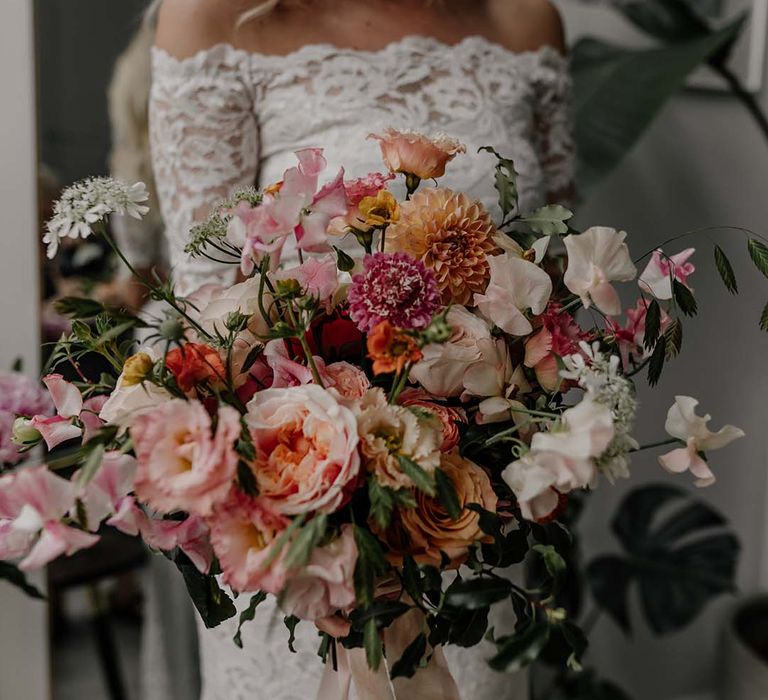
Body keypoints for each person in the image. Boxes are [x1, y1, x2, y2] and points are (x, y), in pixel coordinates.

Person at [147, 0, 574, 697]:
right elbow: (211, 325)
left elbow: (547, 274)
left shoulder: (524, 21)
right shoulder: (209, 18)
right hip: (301, 524)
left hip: (468, 514)